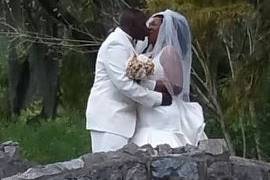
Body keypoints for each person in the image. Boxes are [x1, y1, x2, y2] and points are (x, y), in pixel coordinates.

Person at [86, 8, 172, 153]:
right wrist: (159, 98)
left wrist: (156, 85)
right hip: (110, 119)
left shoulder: (126, 43)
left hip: (119, 121)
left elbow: (132, 78)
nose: (146, 30)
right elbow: (124, 85)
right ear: (132, 26)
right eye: (143, 25)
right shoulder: (115, 44)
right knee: (109, 170)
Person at [131, 10, 207, 148]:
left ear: (165, 29)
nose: (149, 27)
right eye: (149, 24)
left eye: (154, 24)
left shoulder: (168, 52)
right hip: (146, 112)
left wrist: (148, 83)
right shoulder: (145, 56)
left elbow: (177, 87)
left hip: (162, 113)